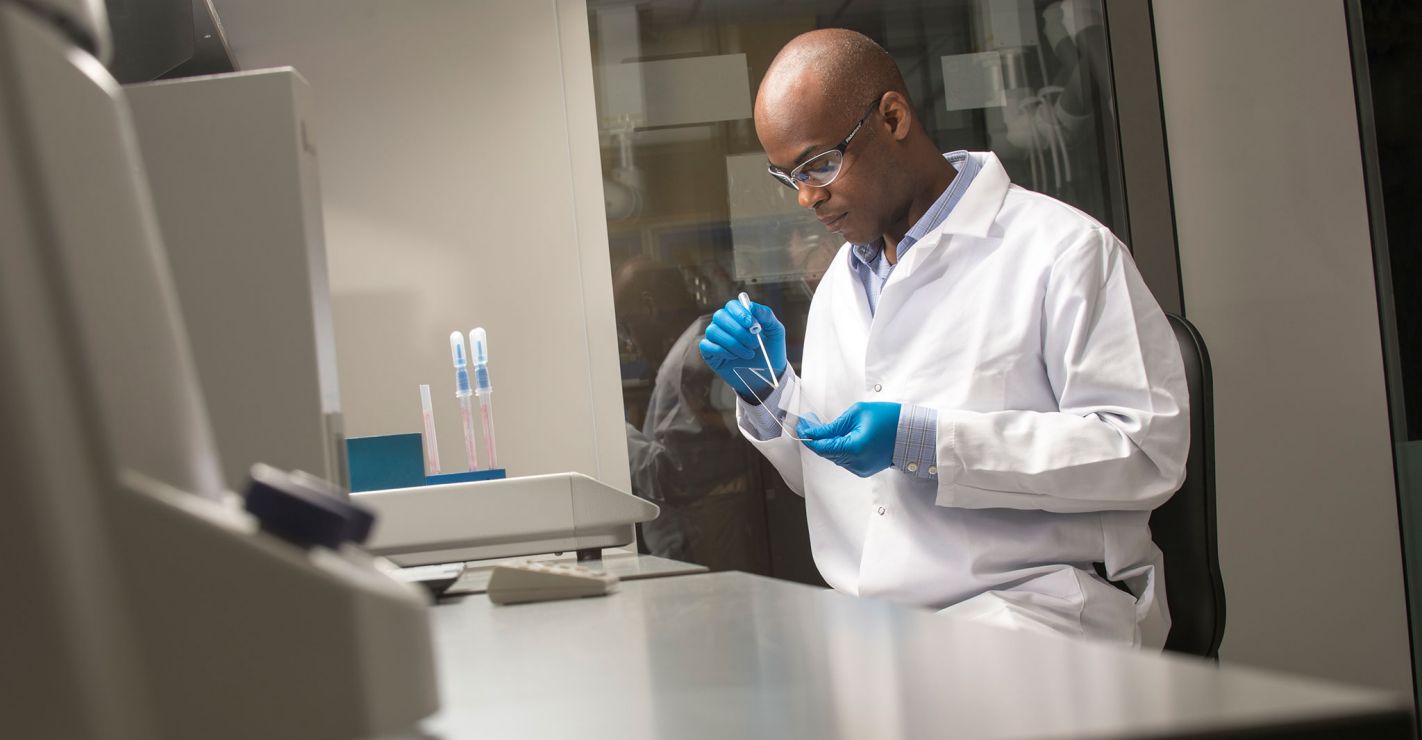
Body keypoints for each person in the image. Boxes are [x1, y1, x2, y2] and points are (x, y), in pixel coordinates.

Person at [699, 29, 1189, 646]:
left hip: (1035, 615)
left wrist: (927, 441)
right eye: (787, 175)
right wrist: (771, 395)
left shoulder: (1063, 252)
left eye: (820, 163)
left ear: (893, 117)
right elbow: (850, 483)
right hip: (874, 630)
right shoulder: (839, 289)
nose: (806, 196)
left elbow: (1145, 454)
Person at [615, 256, 763, 571]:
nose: (629, 343)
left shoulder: (693, 358)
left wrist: (613, 434)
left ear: (649, 306)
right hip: (710, 537)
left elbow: (679, 475)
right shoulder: (695, 347)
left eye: (627, 326)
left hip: (707, 542)